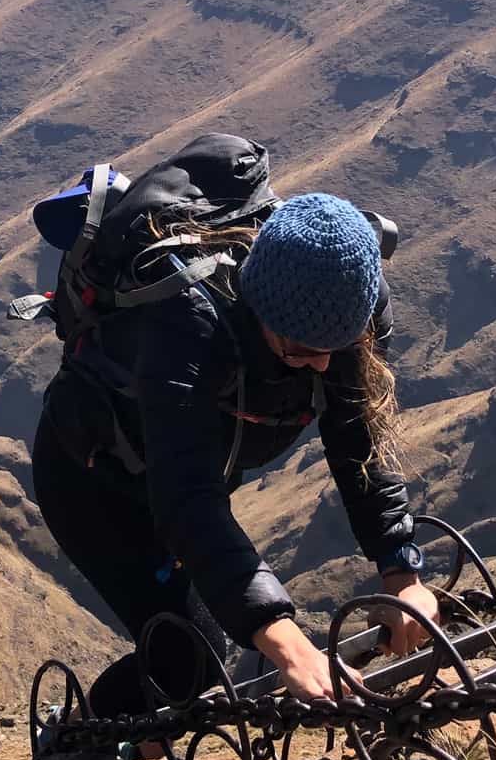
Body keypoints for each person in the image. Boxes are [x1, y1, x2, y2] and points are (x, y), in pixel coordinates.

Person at [30, 187, 439, 722]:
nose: (319, 368)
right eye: (300, 352)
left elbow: (359, 441)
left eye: (333, 353)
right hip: (94, 485)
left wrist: (400, 568)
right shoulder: (187, 324)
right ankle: (75, 734)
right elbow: (188, 500)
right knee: (189, 664)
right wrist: (288, 642)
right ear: (257, 309)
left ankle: (140, 731)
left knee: (195, 670)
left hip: (188, 475)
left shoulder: (349, 305)